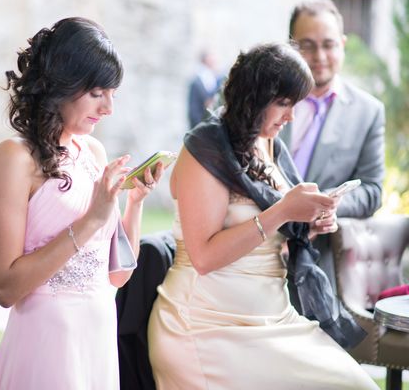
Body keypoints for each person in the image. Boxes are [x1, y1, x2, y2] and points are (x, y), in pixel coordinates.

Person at [147, 43, 377, 389]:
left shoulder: (270, 145)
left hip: (271, 318)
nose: (291, 117)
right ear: (252, 97)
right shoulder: (206, 147)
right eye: (283, 103)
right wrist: (283, 210)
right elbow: (205, 257)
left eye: (295, 104)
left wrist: (309, 224)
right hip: (207, 326)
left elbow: (272, 245)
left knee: (355, 383)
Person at [0, 17, 163, 389]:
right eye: (98, 93)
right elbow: (4, 288)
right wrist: (90, 222)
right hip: (47, 338)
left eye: (113, 93)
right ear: (62, 86)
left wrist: (135, 204)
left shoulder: (93, 152)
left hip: (96, 335)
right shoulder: (14, 158)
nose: (109, 107)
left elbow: (117, 275)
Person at [280, 0, 385, 291]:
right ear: (291, 47)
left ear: (342, 44)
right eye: (307, 45)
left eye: (328, 44)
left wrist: (327, 204)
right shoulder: (267, 99)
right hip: (255, 245)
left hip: (319, 261)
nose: (319, 56)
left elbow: (373, 191)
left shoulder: (368, 111)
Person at [187, 50, 222, 129]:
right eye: (211, 57)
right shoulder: (197, 82)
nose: (214, 60)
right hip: (199, 125)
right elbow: (193, 112)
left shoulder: (214, 78)